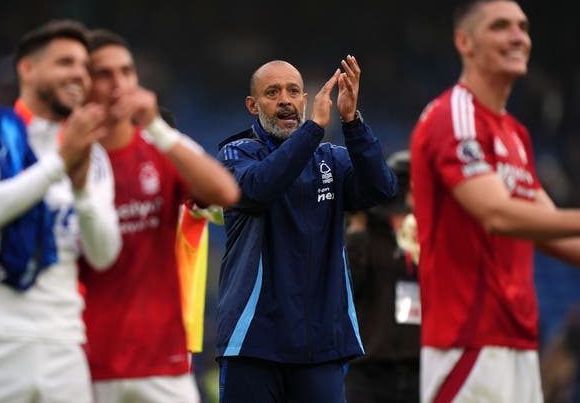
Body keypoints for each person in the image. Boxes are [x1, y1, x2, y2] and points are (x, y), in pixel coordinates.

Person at [410, 0, 580, 403]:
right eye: (500, 26)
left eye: (522, 26)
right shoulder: (454, 115)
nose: (518, 36)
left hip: (518, 343)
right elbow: (497, 214)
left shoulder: (516, 135)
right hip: (468, 342)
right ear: (464, 42)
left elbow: (550, 229)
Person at [0, 19, 121, 403]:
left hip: (66, 347)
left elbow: (103, 253)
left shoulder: (93, 155)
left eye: (84, 67)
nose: (78, 75)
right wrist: (60, 162)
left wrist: (82, 186)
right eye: (65, 62)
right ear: (27, 68)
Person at [216, 56, 398, 402]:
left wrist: (351, 122)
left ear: (303, 100)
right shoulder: (235, 155)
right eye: (273, 92)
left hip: (320, 345)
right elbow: (258, 190)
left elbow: (381, 189)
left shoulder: (330, 159)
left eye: (293, 91)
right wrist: (313, 129)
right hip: (254, 341)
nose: (285, 99)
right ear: (253, 106)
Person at [79, 28, 239, 403]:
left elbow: (224, 198)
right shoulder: (61, 154)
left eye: (127, 72)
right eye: (105, 74)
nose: (119, 84)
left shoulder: (161, 151)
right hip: (81, 355)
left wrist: (158, 130)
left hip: (165, 352)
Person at [344, 149, 420, 403]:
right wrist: (356, 230)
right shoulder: (366, 232)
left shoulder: (428, 237)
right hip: (367, 372)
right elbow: (347, 287)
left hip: (417, 370)